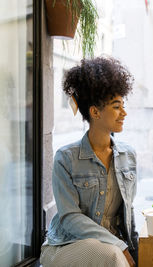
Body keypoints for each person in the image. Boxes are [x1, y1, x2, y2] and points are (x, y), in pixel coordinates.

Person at [40, 57, 138, 267]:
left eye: (123, 105)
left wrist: (134, 249)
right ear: (95, 112)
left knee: (112, 254)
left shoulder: (128, 155)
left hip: (113, 249)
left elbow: (128, 213)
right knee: (110, 255)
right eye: (116, 106)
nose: (124, 113)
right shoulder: (66, 158)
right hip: (66, 246)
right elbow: (70, 217)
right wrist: (119, 246)